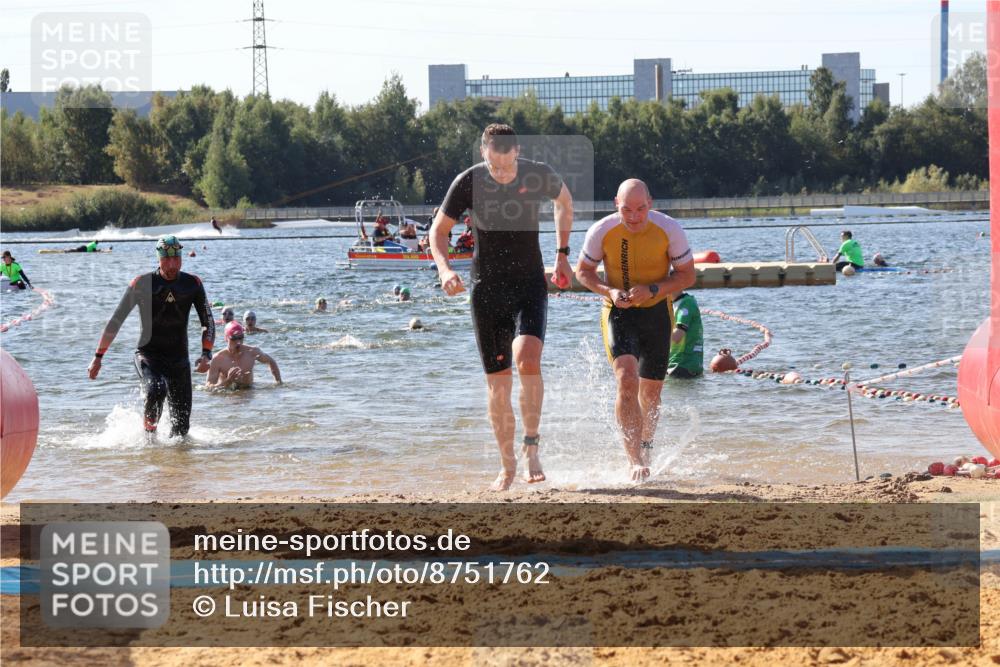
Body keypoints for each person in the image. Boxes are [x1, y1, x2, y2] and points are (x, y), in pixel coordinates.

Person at [431, 123, 574, 491]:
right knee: (498, 385)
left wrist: (562, 255)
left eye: (507, 166)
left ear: (517, 153)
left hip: (529, 284)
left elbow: (565, 202)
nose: (501, 172)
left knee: (527, 359)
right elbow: (438, 231)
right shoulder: (469, 182)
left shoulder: (538, 173)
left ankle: (531, 448)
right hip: (486, 290)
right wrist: (445, 269)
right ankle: (506, 464)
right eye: (494, 166)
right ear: (484, 153)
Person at [575, 179, 696, 481]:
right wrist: (609, 291)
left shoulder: (669, 229)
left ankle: (646, 445)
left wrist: (654, 288)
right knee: (627, 379)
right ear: (616, 204)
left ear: (650, 204)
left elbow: (687, 276)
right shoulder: (601, 231)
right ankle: (634, 460)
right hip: (619, 311)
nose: (634, 217)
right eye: (626, 209)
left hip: (657, 312)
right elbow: (583, 272)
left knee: (652, 393)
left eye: (640, 209)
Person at [88, 235, 215, 437]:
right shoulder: (142, 283)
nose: (173, 264)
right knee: (156, 389)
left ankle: (175, 467)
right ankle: (149, 439)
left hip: (179, 361)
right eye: (167, 259)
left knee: (181, 432)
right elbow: (116, 321)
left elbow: (208, 322)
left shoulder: (193, 284)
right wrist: (98, 357)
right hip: (148, 356)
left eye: (177, 258)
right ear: (159, 258)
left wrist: (206, 353)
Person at [205, 322, 282, 389]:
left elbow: (271, 361)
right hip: (228, 397)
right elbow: (208, 387)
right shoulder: (218, 359)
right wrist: (228, 381)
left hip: (249, 391)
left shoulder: (252, 352)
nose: (238, 342)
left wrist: (279, 383)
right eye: (234, 338)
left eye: (240, 338)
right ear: (226, 338)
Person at [668, 291, 704, 379]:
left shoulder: (686, 303)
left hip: (682, 365)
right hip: (684, 365)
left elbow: (677, 336)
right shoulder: (672, 303)